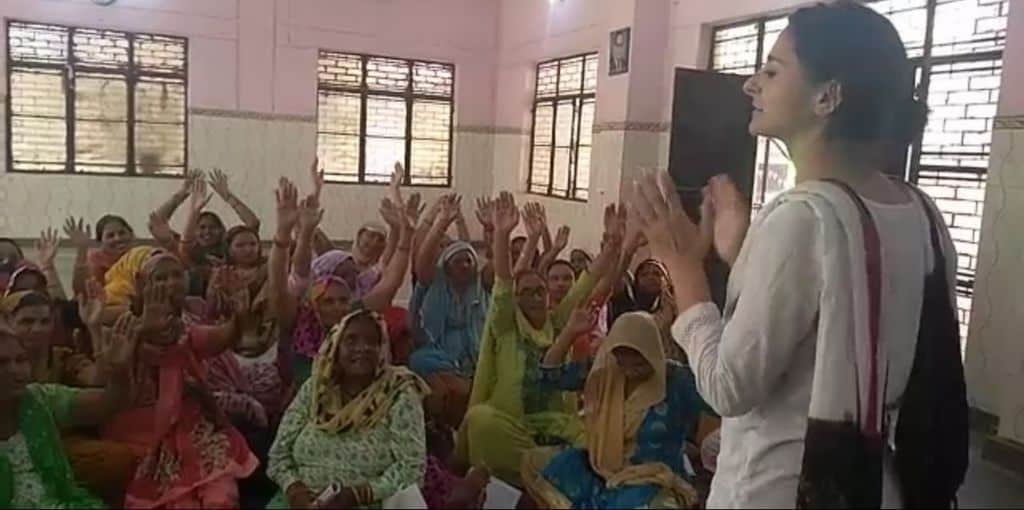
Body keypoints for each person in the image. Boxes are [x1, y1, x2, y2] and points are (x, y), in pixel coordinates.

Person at [632, 2, 967, 507]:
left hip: (781, 488)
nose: (751, 85)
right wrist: (743, 252)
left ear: (827, 97)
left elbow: (727, 387)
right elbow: (838, 311)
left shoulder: (802, 215)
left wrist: (683, 267)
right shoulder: (920, 211)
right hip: (871, 484)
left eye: (772, 70)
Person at [455, 192, 620, 485]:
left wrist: (613, 244)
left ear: (547, 296)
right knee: (480, 421)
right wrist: (502, 234)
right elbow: (503, 282)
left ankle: (539, 471)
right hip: (512, 424)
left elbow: (587, 283)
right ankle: (544, 471)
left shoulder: (557, 322)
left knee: (595, 440)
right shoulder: (506, 325)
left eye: (539, 291)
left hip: (555, 424)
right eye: (526, 292)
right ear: (516, 299)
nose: (534, 297)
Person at [100, 250, 258, 508]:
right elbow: (107, 373)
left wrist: (239, 317)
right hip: (140, 430)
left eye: (176, 275)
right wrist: (144, 330)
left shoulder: (185, 329)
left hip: (192, 428)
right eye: (161, 278)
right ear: (141, 284)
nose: (171, 283)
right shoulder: (123, 326)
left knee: (221, 494)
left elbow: (221, 337)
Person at [521, 311, 701, 509]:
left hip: (653, 479)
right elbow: (549, 377)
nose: (630, 369)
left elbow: (719, 402)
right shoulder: (605, 372)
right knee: (543, 463)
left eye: (638, 361)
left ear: (652, 350)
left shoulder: (676, 380)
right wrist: (570, 332)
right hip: (604, 471)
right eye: (622, 360)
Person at [266, 309, 429, 509]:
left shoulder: (398, 392)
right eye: (351, 340)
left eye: (372, 342)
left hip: (369, 502)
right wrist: (294, 490)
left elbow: (412, 467)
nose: (362, 348)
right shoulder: (316, 388)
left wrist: (360, 494)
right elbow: (279, 454)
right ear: (336, 346)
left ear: (382, 349)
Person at [270, 175, 414, 385]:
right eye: (328, 301)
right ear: (315, 301)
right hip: (307, 398)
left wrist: (406, 235)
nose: (338, 306)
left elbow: (390, 283)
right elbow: (279, 284)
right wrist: (284, 233)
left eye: (343, 300)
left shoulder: (353, 314)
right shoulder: (299, 316)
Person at [0, 313, 137, 509]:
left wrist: (120, 371)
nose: (15, 370)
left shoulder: (39, 398)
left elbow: (110, 402)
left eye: (20, 360)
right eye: (2, 363)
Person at [408, 194, 486, 430]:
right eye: (457, 261)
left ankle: (456, 434)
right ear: (446, 266)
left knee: (459, 392)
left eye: (468, 261)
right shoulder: (433, 283)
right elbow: (422, 256)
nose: (464, 265)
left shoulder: (481, 289)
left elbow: (499, 267)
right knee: (439, 391)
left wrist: (488, 230)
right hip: (434, 353)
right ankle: (439, 433)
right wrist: (440, 221)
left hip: (474, 355)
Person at [149, 168, 261, 296]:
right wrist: (181, 195)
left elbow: (253, 223)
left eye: (213, 227)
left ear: (221, 230)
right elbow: (156, 222)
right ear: (193, 229)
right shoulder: (184, 244)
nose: (207, 232)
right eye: (202, 227)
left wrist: (229, 197)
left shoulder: (228, 247)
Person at [608, 259, 682, 361]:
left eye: (657, 274)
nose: (651, 277)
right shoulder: (626, 306)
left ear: (667, 281)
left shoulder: (678, 307)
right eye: (644, 274)